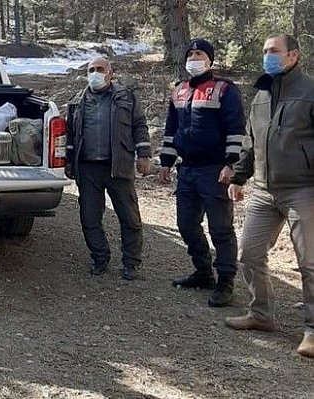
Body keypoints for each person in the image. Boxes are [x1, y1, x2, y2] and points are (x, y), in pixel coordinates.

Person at [224, 34, 314, 358]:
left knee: (309, 262)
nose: (267, 56)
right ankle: (260, 315)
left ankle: (312, 331)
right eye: (264, 51)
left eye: (273, 51)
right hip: (263, 189)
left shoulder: (310, 91)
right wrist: (238, 176)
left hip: (302, 188)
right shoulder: (261, 93)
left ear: (293, 55)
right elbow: (251, 142)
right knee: (249, 253)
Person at [158, 38, 245, 307]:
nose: (194, 58)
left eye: (199, 54)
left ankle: (225, 281)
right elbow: (172, 129)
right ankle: (203, 272)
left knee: (220, 228)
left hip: (215, 171)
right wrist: (165, 162)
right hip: (187, 170)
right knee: (186, 225)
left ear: (210, 60)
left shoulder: (224, 89)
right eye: (191, 54)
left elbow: (236, 129)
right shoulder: (179, 90)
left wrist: (232, 165)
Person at [65, 57, 152, 280]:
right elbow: (70, 136)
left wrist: (144, 155)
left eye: (100, 69)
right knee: (89, 217)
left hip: (118, 166)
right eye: (91, 70)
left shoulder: (126, 97)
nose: (95, 73)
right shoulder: (77, 101)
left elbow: (140, 125)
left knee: (129, 217)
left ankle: (131, 263)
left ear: (110, 73)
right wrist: (68, 162)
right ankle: (100, 258)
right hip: (87, 168)